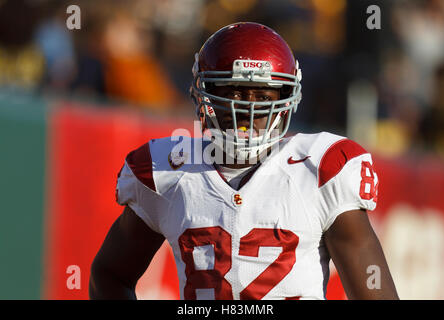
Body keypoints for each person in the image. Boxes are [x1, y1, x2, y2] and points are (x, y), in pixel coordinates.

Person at [89, 22, 399, 300]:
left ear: (286, 99)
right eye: (234, 93)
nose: (246, 112)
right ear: (205, 93)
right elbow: (110, 275)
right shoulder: (170, 172)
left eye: (263, 98)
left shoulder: (318, 170)